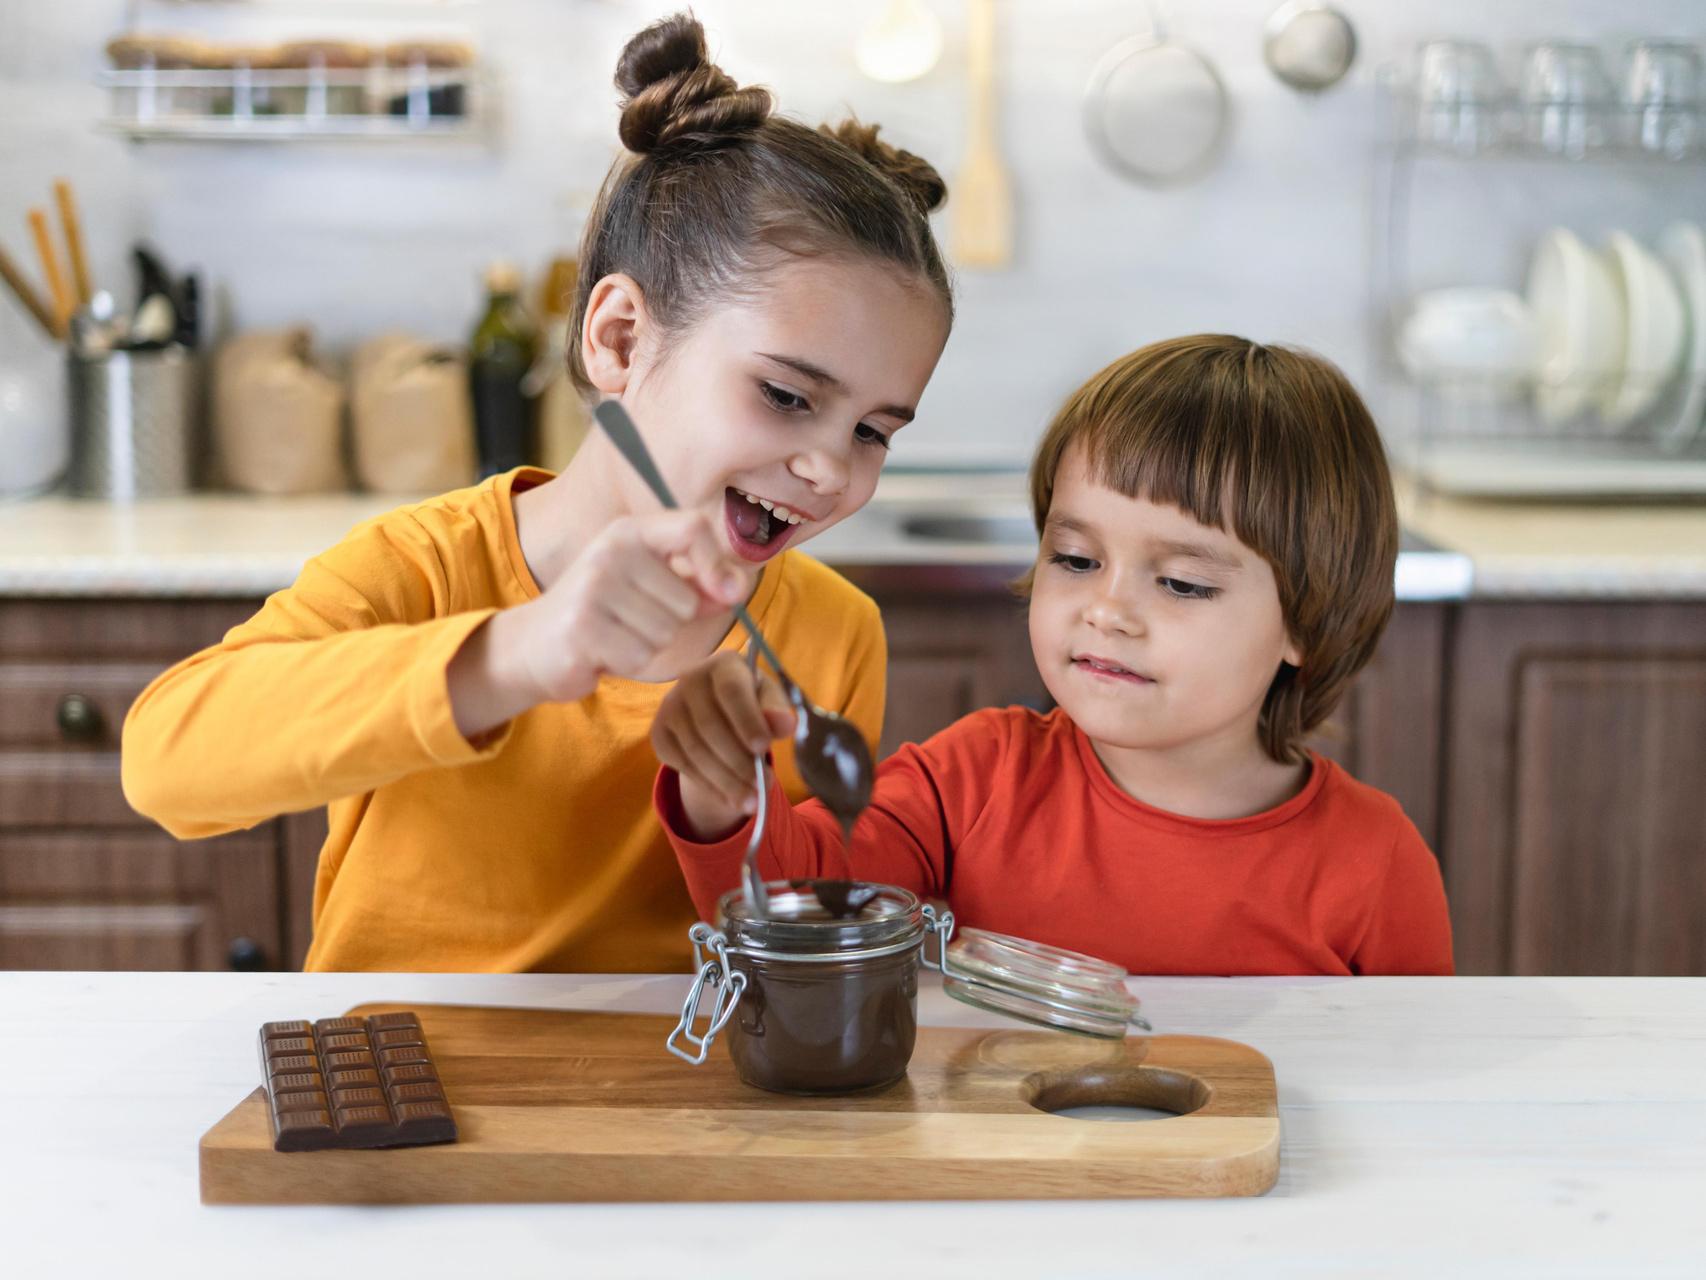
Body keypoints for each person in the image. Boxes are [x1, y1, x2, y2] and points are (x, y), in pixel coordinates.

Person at [120, 13, 954, 973]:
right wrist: (517, 653)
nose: (831, 469)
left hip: (672, 1097)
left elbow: (801, 936)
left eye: (872, 432)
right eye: (786, 395)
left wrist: (722, 803)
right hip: (411, 1076)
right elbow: (167, 763)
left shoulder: (832, 634)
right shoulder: (424, 570)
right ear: (622, 340)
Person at [654, 335, 1454, 975]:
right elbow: (799, 911)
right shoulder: (967, 785)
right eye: (1075, 560)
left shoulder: (1377, 864)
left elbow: (1410, 1092)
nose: (1107, 610)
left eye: (1179, 582)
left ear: (1306, 627)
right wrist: (725, 793)